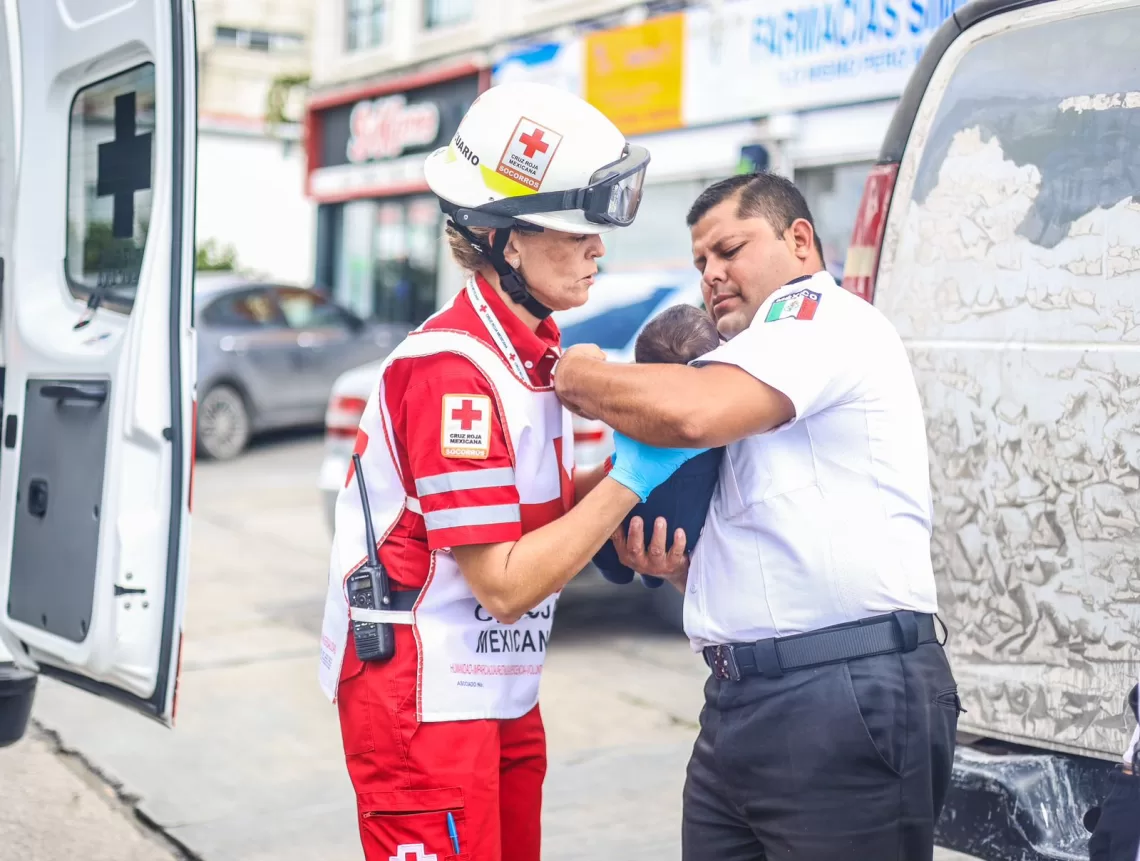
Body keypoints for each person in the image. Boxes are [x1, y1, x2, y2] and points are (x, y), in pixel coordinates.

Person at [316, 80, 702, 861]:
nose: (598, 250)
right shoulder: (451, 371)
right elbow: (501, 580)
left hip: (498, 684)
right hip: (423, 698)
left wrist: (657, 465)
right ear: (506, 240)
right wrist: (632, 475)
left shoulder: (535, 354)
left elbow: (536, 517)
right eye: (576, 232)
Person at [553, 171, 961, 861]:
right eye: (700, 261)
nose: (711, 273)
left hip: (841, 691)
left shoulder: (820, 320)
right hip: (742, 699)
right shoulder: (747, 364)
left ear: (799, 241)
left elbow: (691, 412)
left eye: (730, 249)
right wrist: (679, 572)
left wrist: (578, 375)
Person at [593, 304, 724, 589]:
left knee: (607, 539)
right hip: (690, 528)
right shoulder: (721, 418)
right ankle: (650, 578)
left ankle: (618, 572)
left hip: (632, 512)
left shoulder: (635, 415)